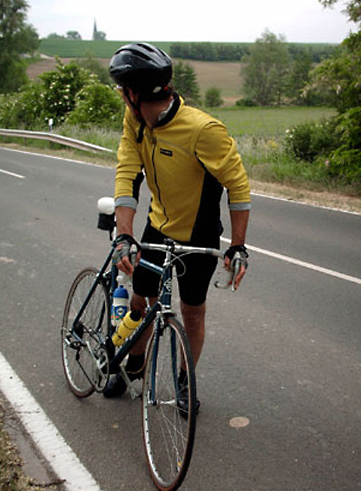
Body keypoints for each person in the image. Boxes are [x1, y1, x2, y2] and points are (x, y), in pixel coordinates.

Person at [103, 43, 251, 412]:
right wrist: (124, 235)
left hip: (199, 236)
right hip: (157, 228)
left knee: (193, 312)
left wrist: (238, 245)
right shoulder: (135, 120)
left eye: (123, 92)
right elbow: (127, 173)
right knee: (141, 300)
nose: (123, 98)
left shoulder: (204, 130)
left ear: (134, 93)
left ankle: (185, 382)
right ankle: (131, 361)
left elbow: (238, 187)